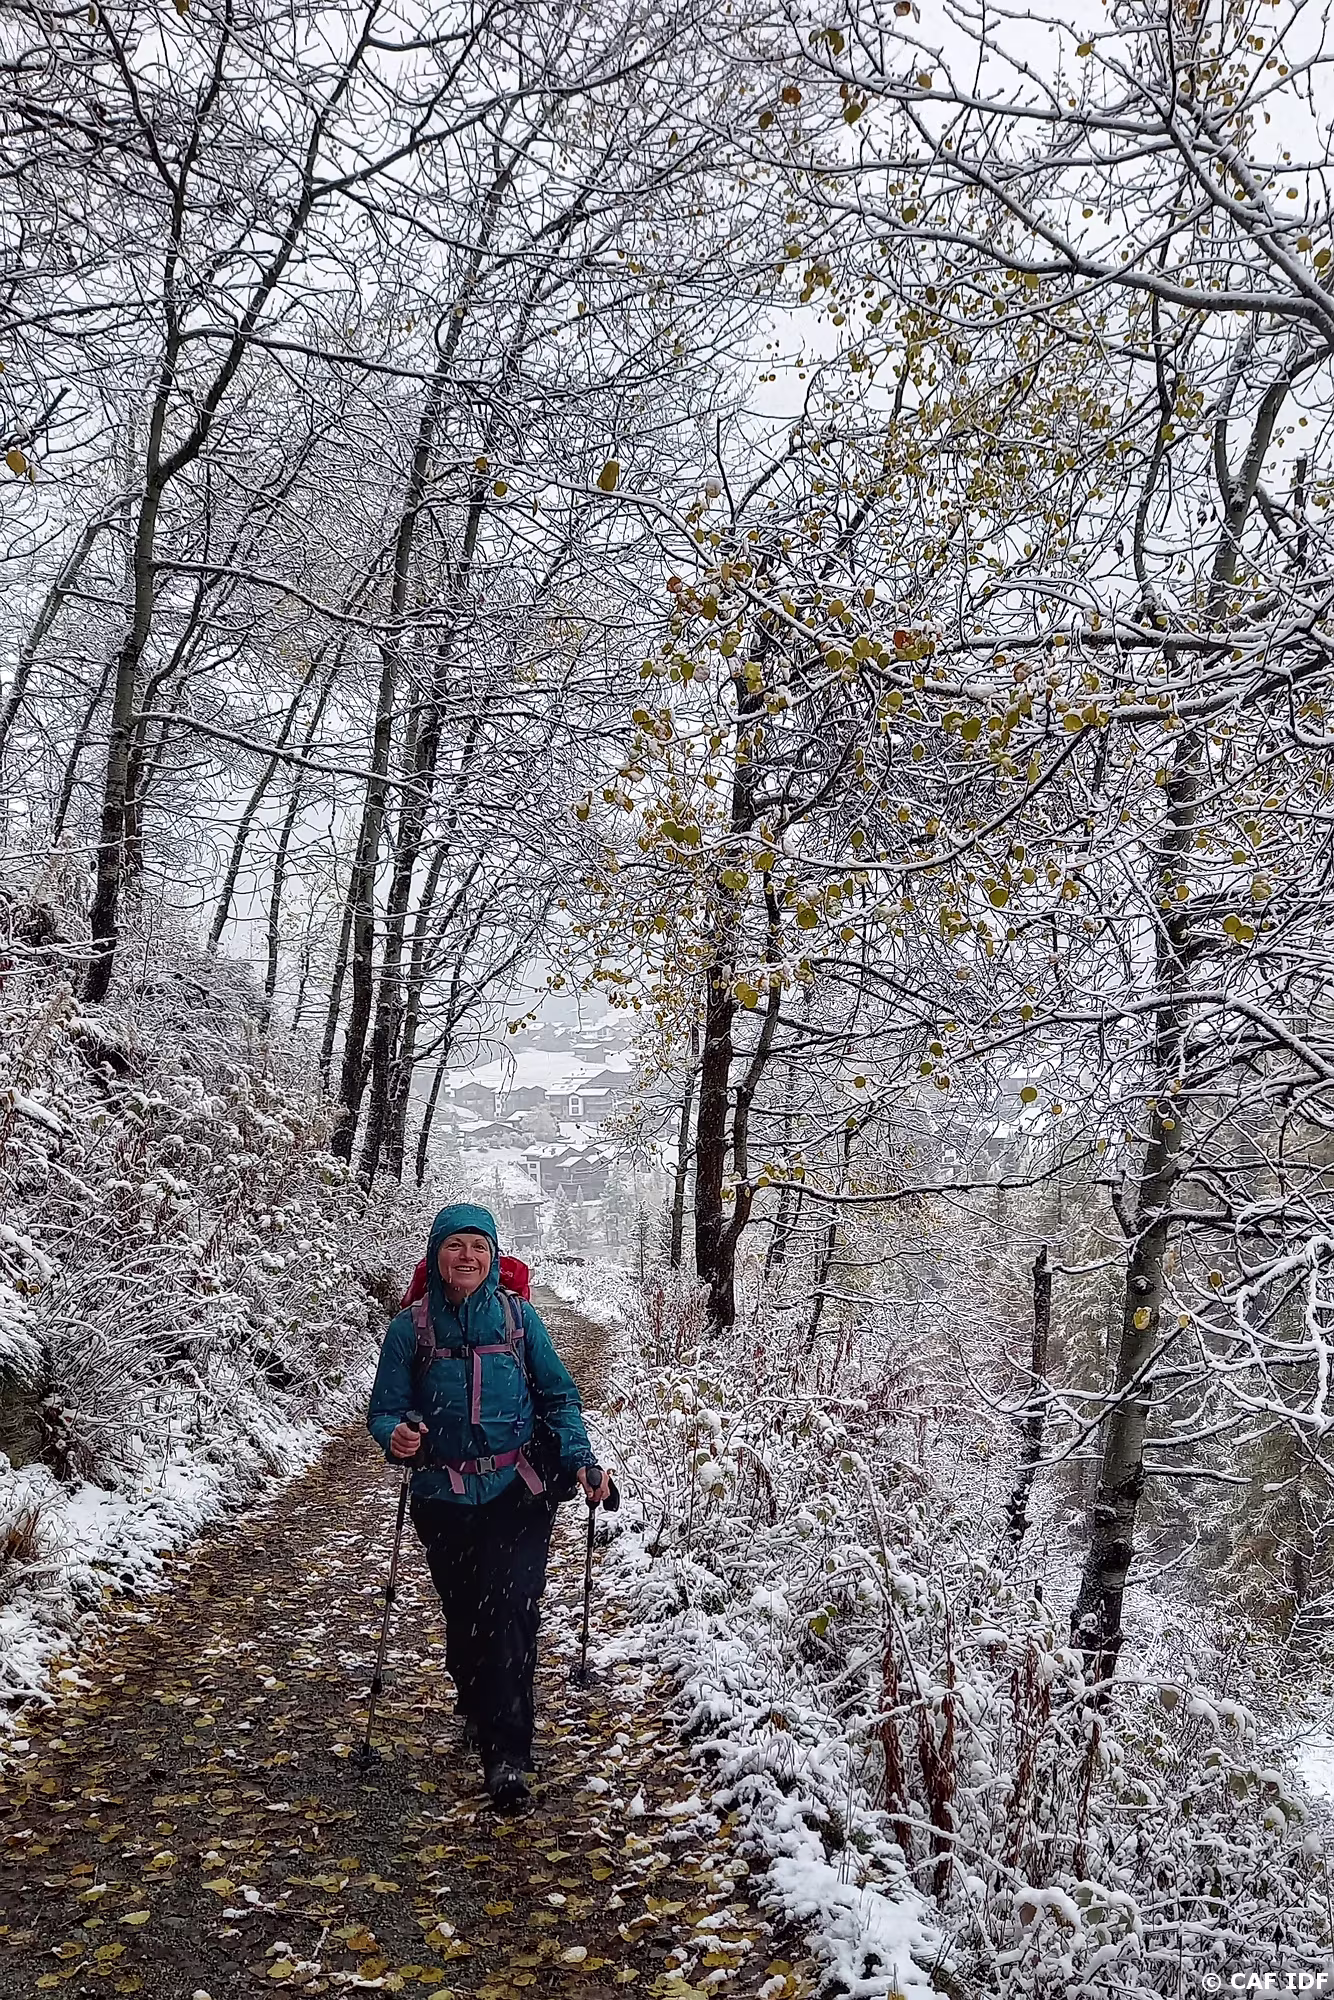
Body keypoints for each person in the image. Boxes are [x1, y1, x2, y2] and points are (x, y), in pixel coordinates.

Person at [367, 1203, 609, 1811]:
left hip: (515, 1490)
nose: (467, 1256)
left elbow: (559, 1398)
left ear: (494, 1258)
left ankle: (508, 1755)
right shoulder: (409, 1329)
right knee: (464, 1612)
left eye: (479, 1246)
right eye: (455, 1246)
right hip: (441, 1496)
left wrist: (580, 1460)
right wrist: (396, 1435)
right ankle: (475, 1701)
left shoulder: (519, 1319)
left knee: (511, 1612)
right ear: (436, 1255)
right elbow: (384, 1409)